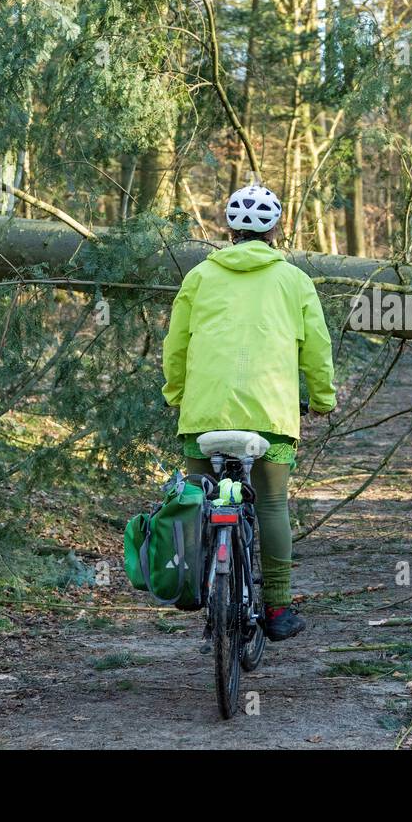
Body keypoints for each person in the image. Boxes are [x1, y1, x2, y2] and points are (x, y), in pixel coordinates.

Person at [161, 185, 337, 640]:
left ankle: (195, 586)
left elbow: (177, 344)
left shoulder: (200, 276)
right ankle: (278, 610)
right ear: (277, 229)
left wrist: (176, 393)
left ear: (229, 229)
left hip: (205, 417)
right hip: (271, 416)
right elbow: (316, 350)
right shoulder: (295, 281)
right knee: (273, 503)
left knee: (199, 499)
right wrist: (322, 399)